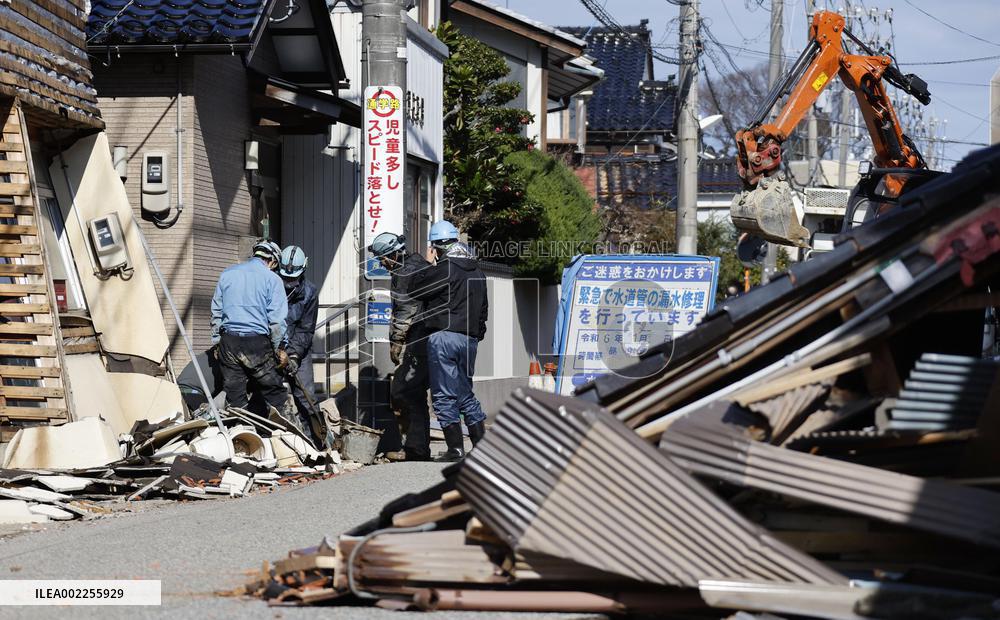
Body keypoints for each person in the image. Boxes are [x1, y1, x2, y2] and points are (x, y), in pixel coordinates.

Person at [411, 220, 488, 462]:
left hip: (443, 337)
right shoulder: (477, 271)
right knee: (465, 394)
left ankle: (455, 449)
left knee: (443, 395)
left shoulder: (445, 269)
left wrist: (427, 264)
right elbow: (483, 310)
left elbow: (415, 289)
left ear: (436, 247)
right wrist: (475, 335)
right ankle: (481, 449)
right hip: (469, 339)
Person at [368, 231, 432, 461]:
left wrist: (396, 341)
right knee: (416, 391)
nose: (382, 263)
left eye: (383, 258)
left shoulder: (405, 272)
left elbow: (406, 310)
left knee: (405, 390)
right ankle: (417, 446)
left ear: (394, 254)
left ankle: (415, 448)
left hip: (419, 338)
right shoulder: (419, 265)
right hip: (428, 337)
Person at [210, 240, 289, 413]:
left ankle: (240, 427)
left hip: (229, 342)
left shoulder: (227, 274)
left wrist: (217, 341)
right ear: (273, 261)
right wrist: (279, 348)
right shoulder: (272, 279)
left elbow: (216, 311)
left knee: (235, 395)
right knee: (274, 392)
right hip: (257, 343)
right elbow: (277, 320)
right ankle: (285, 426)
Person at [277, 245, 321, 443]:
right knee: (268, 393)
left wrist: (294, 355)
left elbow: (305, 329)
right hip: (272, 348)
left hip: (298, 350)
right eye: (285, 278)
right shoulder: (270, 285)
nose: (288, 283)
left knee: (307, 397)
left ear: (304, 269)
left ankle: (315, 442)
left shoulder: (310, 292)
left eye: (292, 278)